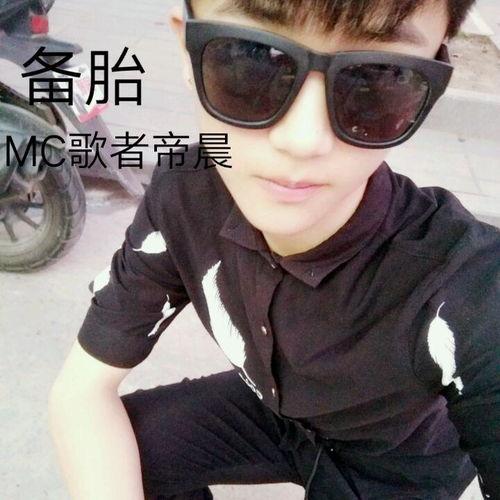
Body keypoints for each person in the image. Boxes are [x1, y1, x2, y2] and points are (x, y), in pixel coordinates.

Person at [48, 0, 500, 499]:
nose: (302, 140)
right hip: (272, 412)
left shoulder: (463, 283)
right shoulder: (187, 190)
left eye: (378, 76)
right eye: (252, 56)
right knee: (128, 449)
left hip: (394, 466)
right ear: (186, 47)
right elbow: (83, 389)